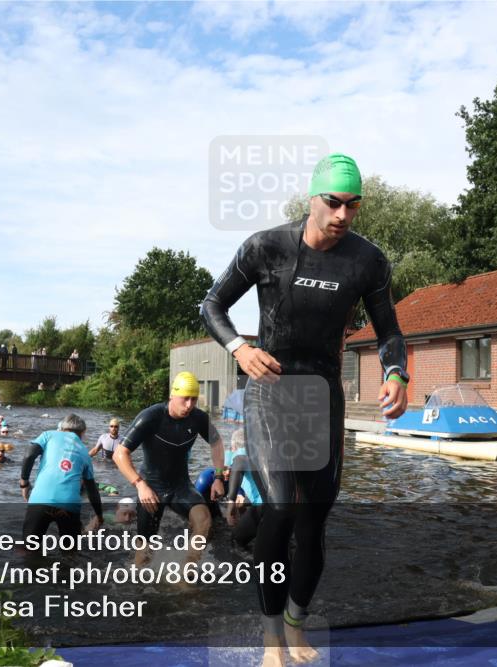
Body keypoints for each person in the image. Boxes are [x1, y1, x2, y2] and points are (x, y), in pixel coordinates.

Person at [200, 153, 409, 665]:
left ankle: (296, 624)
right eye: (333, 202)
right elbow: (212, 305)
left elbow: (389, 332)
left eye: (352, 205)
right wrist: (239, 350)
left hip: (322, 397)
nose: (342, 215)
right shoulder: (266, 247)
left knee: (314, 518)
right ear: (311, 197)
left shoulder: (368, 261)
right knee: (282, 507)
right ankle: (271, 640)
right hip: (271, 391)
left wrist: (396, 374)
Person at [112, 371, 225, 566]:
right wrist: (140, 485)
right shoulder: (151, 417)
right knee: (145, 551)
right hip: (151, 488)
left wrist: (219, 476)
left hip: (180, 486)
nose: (189, 405)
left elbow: (217, 443)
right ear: (173, 395)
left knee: (204, 520)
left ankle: (186, 574)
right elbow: (120, 454)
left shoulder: (198, 418)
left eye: (194, 399)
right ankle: (136, 586)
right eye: (185, 398)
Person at [19, 414, 102, 546]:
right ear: (83, 432)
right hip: (69, 505)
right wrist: (99, 515)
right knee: (70, 553)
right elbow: (92, 489)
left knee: (28, 549)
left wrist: (24, 483)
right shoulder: (84, 452)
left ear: (62, 428)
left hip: (40, 500)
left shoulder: (48, 435)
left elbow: (29, 455)